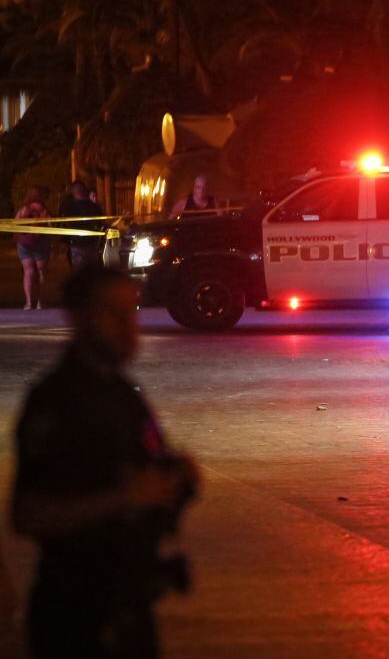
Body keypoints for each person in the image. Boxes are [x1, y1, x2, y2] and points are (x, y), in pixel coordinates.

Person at [11, 266, 200, 658]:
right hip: (77, 614)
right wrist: (123, 498)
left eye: (130, 310)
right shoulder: (56, 402)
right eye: (110, 313)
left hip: (128, 605)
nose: (126, 326)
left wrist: (175, 480)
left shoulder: (122, 395)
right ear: (77, 317)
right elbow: (28, 515)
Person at [14, 186, 51, 310]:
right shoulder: (44, 210)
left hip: (24, 244)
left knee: (28, 272)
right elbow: (50, 227)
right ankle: (40, 302)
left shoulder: (23, 209)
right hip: (41, 243)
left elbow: (15, 225)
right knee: (41, 273)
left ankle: (29, 302)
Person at [59, 180, 105, 270]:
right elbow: (100, 223)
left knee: (80, 270)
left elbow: (63, 224)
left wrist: (64, 241)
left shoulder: (68, 207)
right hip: (89, 243)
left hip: (78, 244)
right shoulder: (94, 207)